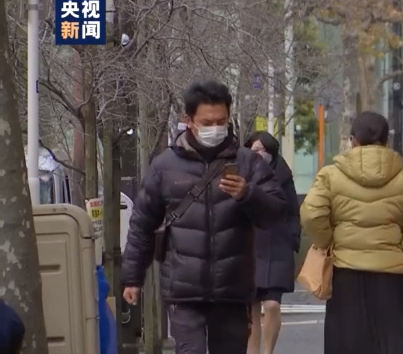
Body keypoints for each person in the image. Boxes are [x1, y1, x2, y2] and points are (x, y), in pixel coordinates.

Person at [120, 80, 287, 354]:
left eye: (221, 121)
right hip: (183, 290)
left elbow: (277, 214)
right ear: (189, 120)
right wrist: (132, 278)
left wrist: (248, 194)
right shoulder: (165, 166)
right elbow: (142, 224)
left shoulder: (248, 163)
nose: (215, 128)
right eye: (207, 122)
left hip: (233, 290)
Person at [300, 111, 403, 354]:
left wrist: (328, 242)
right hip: (390, 274)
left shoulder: (332, 174)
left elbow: (311, 213)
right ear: (386, 141)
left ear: (353, 140)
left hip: (345, 272)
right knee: (391, 341)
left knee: (346, 342)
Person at [245, 131, 301, 354]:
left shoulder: (283, 175)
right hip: (250, 246)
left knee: (272, 304)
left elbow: (293, 211)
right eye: (254, 150)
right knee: (251, 308)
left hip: (278, 245)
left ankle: (268, 351)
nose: (258, 154)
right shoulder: (243, 171)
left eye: (262, 150)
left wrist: (292, 237)